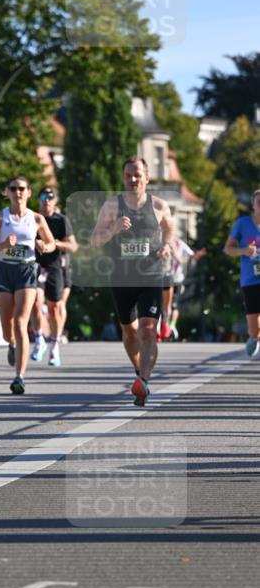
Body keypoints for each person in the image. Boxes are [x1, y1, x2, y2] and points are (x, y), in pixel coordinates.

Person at [90, 157, 175, 406]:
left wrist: (167, 245)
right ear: (124, 178)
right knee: (130, 332)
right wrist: (112, 230)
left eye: (137, 174)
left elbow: (169, 228)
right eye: (128, 175)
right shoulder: (111, 207)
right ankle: (139, 372)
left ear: (147, 178)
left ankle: (145, 382)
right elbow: (95, 241)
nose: (133, 179)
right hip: (122, 277)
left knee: (149, 330)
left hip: (151, 275)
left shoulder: (159, 205)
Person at [0, 175, 55, 394]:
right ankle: (11, 344)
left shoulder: (37, 219)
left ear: (29, 192)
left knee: (21, 323)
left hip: (27, 270)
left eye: (22, 188)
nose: (18, 192)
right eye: (13, 188)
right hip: (4, 271)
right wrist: (2, 245)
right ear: (7, 192)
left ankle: (19, 376)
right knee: (7, 327)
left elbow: (51, 244)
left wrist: (44, 245)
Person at [31, 187, 78, 367]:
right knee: (35, 302)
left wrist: (54, 243)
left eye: (50, 197)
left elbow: (73, 246)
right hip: (35, 265)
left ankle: (54, 344)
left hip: (54, 266)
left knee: (55, 308)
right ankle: (38, 338)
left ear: (55, 201)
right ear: (38, 199)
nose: (46, 200)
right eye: (43, 197)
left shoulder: (61, 220)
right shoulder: (32, 218)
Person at [224, 188, 260, 360]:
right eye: (259, 202)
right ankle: (254, 336)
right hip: (250, 280)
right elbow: (228, 249)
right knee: (254, 327)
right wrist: (244, 251)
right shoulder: (243, 223)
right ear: (253, 205)